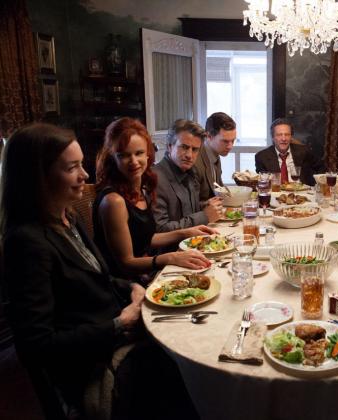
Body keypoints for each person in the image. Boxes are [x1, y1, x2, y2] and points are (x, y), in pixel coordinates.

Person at [0, 123, 197, 418]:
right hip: (95, 366)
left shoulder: (67, 217)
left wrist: (130, 287)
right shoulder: (26, 241)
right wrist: (120, 323)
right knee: (187, 379)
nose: (85, 175)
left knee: (190, 344)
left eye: (82, 164)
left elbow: (96, 277)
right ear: (38, 176)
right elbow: (38, 345)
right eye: (72, 168)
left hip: (117, 333)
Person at [93, 118, 214, 281]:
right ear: (113, 158)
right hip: (127, 284)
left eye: (139, 153)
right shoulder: (114, 201)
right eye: (124, 155)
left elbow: (145, 239)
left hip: (146, 272)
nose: (134, 162)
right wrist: (170, 258)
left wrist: (185, 232)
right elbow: (125, 263)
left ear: (148, 154)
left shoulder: (139, 187)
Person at [153, 119, 223, 236]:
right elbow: (160, 230)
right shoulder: (155, 179)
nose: (189, 155)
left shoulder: (191, 171)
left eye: (195, 150)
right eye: (184, 147)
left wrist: (205, 205)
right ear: (169, 146)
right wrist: (204, 216)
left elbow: (185, 210)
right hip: (175, 247)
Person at [254, 117, 324, 186]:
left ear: (291, 137)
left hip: (302, 191)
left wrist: (316, 186)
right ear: (273, 137)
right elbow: (262, 183)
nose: (283, 139)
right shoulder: (262, 157)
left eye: (287, 134)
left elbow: (321, 168)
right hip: (276, 192)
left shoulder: (304, 152)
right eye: (279, 135)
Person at [195, 112, 237, 201]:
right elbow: (190, 204)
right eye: (225, 141)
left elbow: (219, 188)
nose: (230, 146)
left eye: (233, 141)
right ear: (209, 136)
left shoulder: (215, 153)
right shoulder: (195, 160)